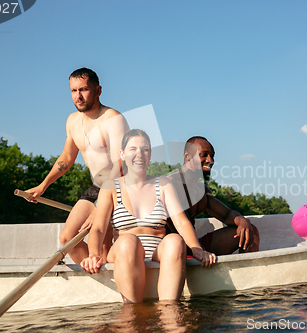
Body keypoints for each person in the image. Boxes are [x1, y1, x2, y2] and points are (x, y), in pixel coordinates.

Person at [80, 129, 216, 303]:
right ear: (122, 154)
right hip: (124, 252)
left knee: (175, 240)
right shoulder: (110, 187)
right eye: (133, 149)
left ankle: (169, 310)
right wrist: (93, 254)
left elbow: (181, 223)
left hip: (156, 253)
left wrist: (197, 248)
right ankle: (132, 310)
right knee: (130, 241)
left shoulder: (164, 184)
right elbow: (98, 228)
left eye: (145, 149)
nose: (140, 154)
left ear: (150, 155)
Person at [25, 68, 129, 264]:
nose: (78, 96)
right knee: (67, 238)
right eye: (73, 91)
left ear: (98, 91)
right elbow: (66, 157)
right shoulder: (72, 121)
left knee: (104, 243)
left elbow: (121, 165)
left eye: (83, 90)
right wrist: (43, 185)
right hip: (96, 187)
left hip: (119, 187)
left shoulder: (113, 118)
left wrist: (101, 207)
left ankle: (112, 275)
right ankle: (95, 275)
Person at [165, 136, 259, 255]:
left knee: (250, 232)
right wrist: (199, 250)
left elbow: (227, 215)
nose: (210, 160)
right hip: (173, 249)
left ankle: (248, 273)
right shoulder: (171, 185)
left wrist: (242, 220)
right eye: (204, 155)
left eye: (212, 156)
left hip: (194, 246)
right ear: (187, 155)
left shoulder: (202, 190)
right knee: (179, 245)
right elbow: (177, 225)